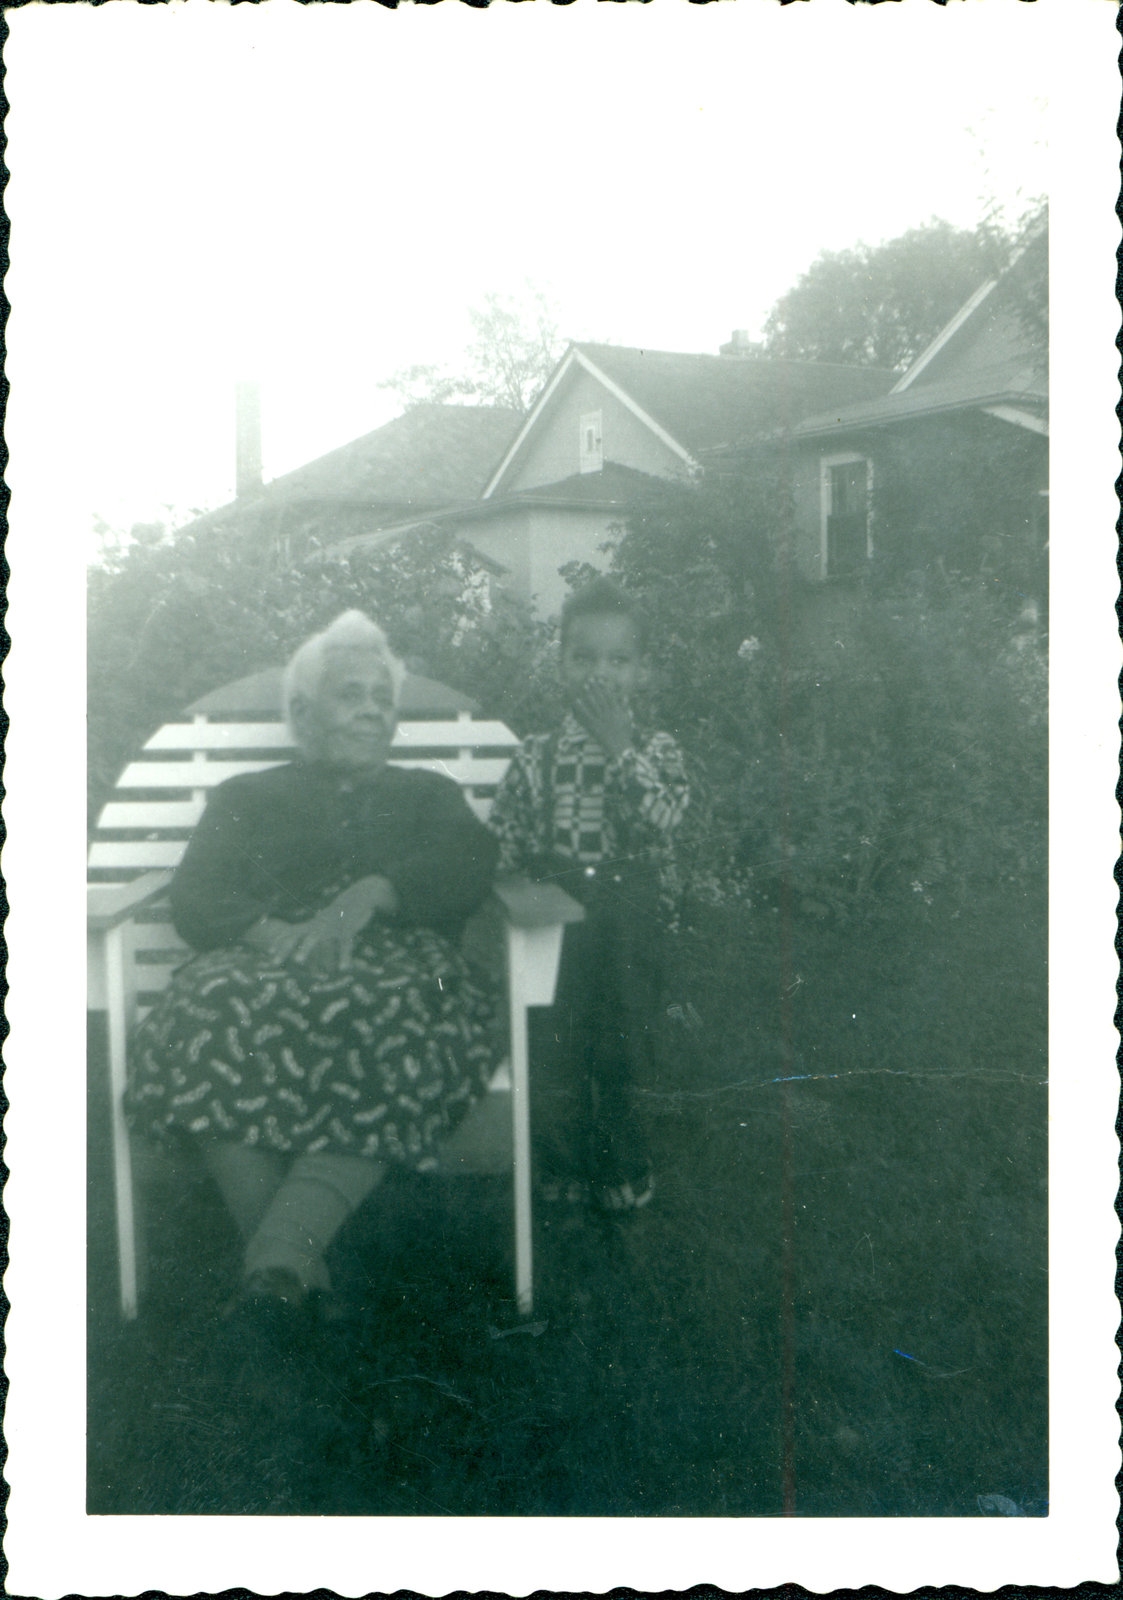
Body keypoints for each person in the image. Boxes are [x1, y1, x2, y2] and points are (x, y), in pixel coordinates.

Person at [126, 610, 500, 1318]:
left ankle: (279, 1264)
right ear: (301, 712)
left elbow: (468, 862)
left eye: (382, 699)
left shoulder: (428, 794)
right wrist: (270, 933)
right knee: (205, 1015)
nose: (371, 711)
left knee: (397, 1013)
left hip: (396, 962)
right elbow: (198, 895)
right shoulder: (248, 797)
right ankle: (292, 1263)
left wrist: (377, 890)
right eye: (351, 694)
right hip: (264, 960)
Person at [488, 578, 689, 1212]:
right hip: (556, 910)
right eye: (584, 657)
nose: (601, 673)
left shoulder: (655, 750)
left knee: (626, 1044)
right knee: (556, 1044)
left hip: (628, 915)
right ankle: (564, 1161)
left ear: (643, 672)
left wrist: (619, 749)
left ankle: (623, 1163)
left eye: (619, 660)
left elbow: (666, 817)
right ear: (561, 665)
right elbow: (506, 843)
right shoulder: (536, 755)